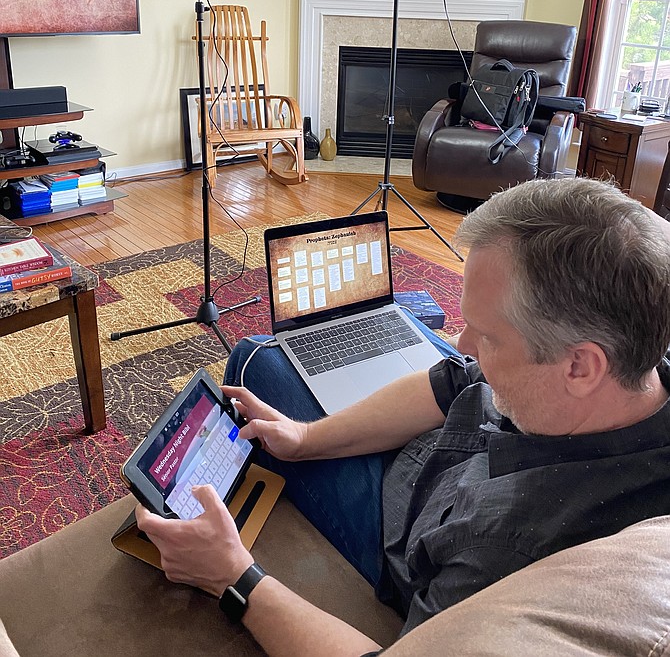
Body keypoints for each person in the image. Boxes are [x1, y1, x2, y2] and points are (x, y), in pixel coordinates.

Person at [136, 178, 670, 657]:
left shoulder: (507, 552)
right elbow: (453, 380)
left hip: (403, 518)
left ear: (581, 365)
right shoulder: (639, 372)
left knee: (256, 359)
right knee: (288, 360)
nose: (463, 345)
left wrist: (234, 577)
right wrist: (304, 438)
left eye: (487, 336)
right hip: (445, 446)